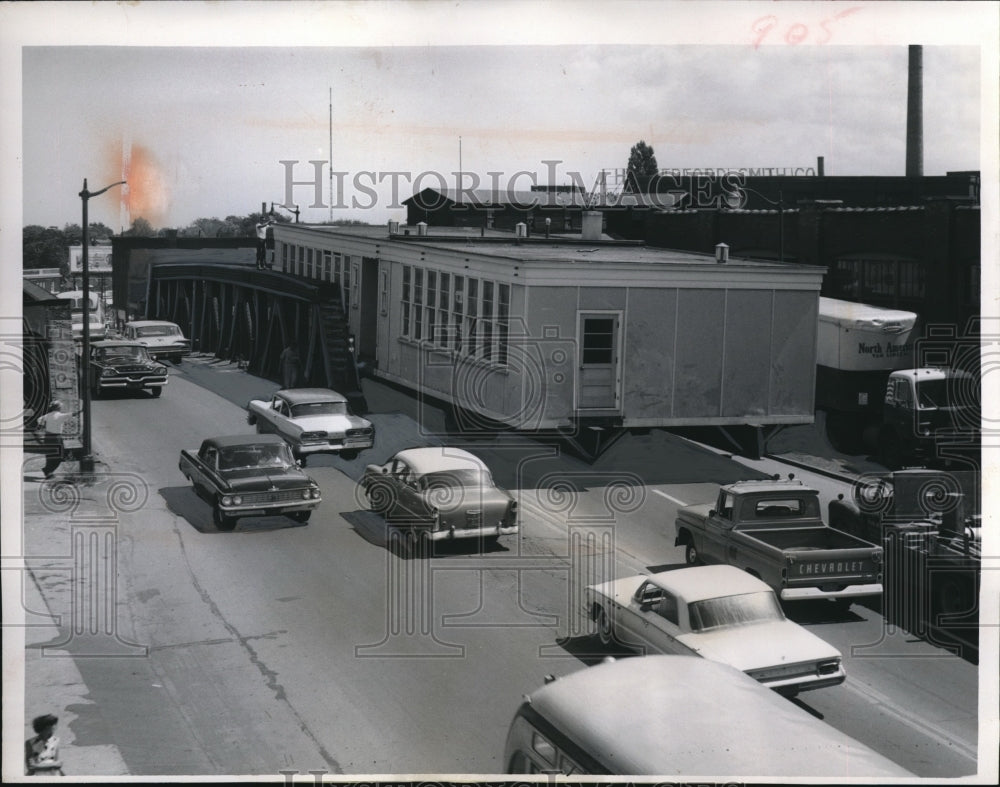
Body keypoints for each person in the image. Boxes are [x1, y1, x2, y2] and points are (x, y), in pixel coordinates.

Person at [35, 401, 75, 479]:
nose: (61, 408)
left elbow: (39, 419)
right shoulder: (60, 416)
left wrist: (42, 425)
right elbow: (72, 414)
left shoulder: (47, 415)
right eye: (60, 407)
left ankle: (48, 471)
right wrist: (82, 411)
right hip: (56, 437)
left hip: (48, 437)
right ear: (58, 408)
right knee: (60, 456)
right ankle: (48, 470)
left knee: (49, 455)